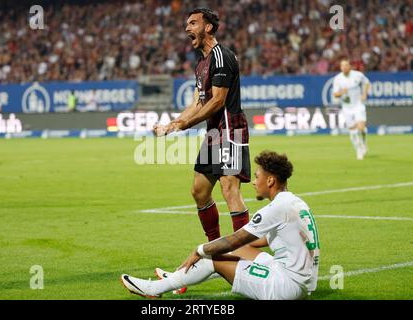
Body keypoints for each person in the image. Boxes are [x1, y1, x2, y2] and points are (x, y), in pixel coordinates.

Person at [121, 151, 320, 300]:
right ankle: (179, 277)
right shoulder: (296, 202)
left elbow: (235, 239)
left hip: (286, 287)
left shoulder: (275, 208)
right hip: (301, 280)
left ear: (270, 180)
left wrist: (200, 250)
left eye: (257, 177)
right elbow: (256, 241)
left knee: (212, 257)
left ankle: (154, 289)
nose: (253, 182)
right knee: (240, 249)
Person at [153, 7, 251, 244]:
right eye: (187, 24)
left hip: (230, 129)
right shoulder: (202, 64)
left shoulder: (222, 56)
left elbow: (218, 101)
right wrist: (172, 124)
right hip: (214, 133)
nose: (187, 28)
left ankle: (247, 253)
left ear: (208, 27)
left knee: (229, 190)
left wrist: (185, 124)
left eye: (193, 23)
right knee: (199, 191)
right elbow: (198, 102)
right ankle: (215, 248)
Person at [332, 59, 371, 160]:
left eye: (346, 65)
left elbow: (367, 83)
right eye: (342, 66)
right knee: (353, 131)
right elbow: (335, 94)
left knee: (361, 127)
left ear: (350, 66)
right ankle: (359, 149)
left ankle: (364, 143)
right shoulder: (338, 79)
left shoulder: (358, 75)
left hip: (358, 104)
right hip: (346, 107)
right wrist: (341, 92)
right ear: (340, 68)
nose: (344, 67)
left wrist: (364, 94)